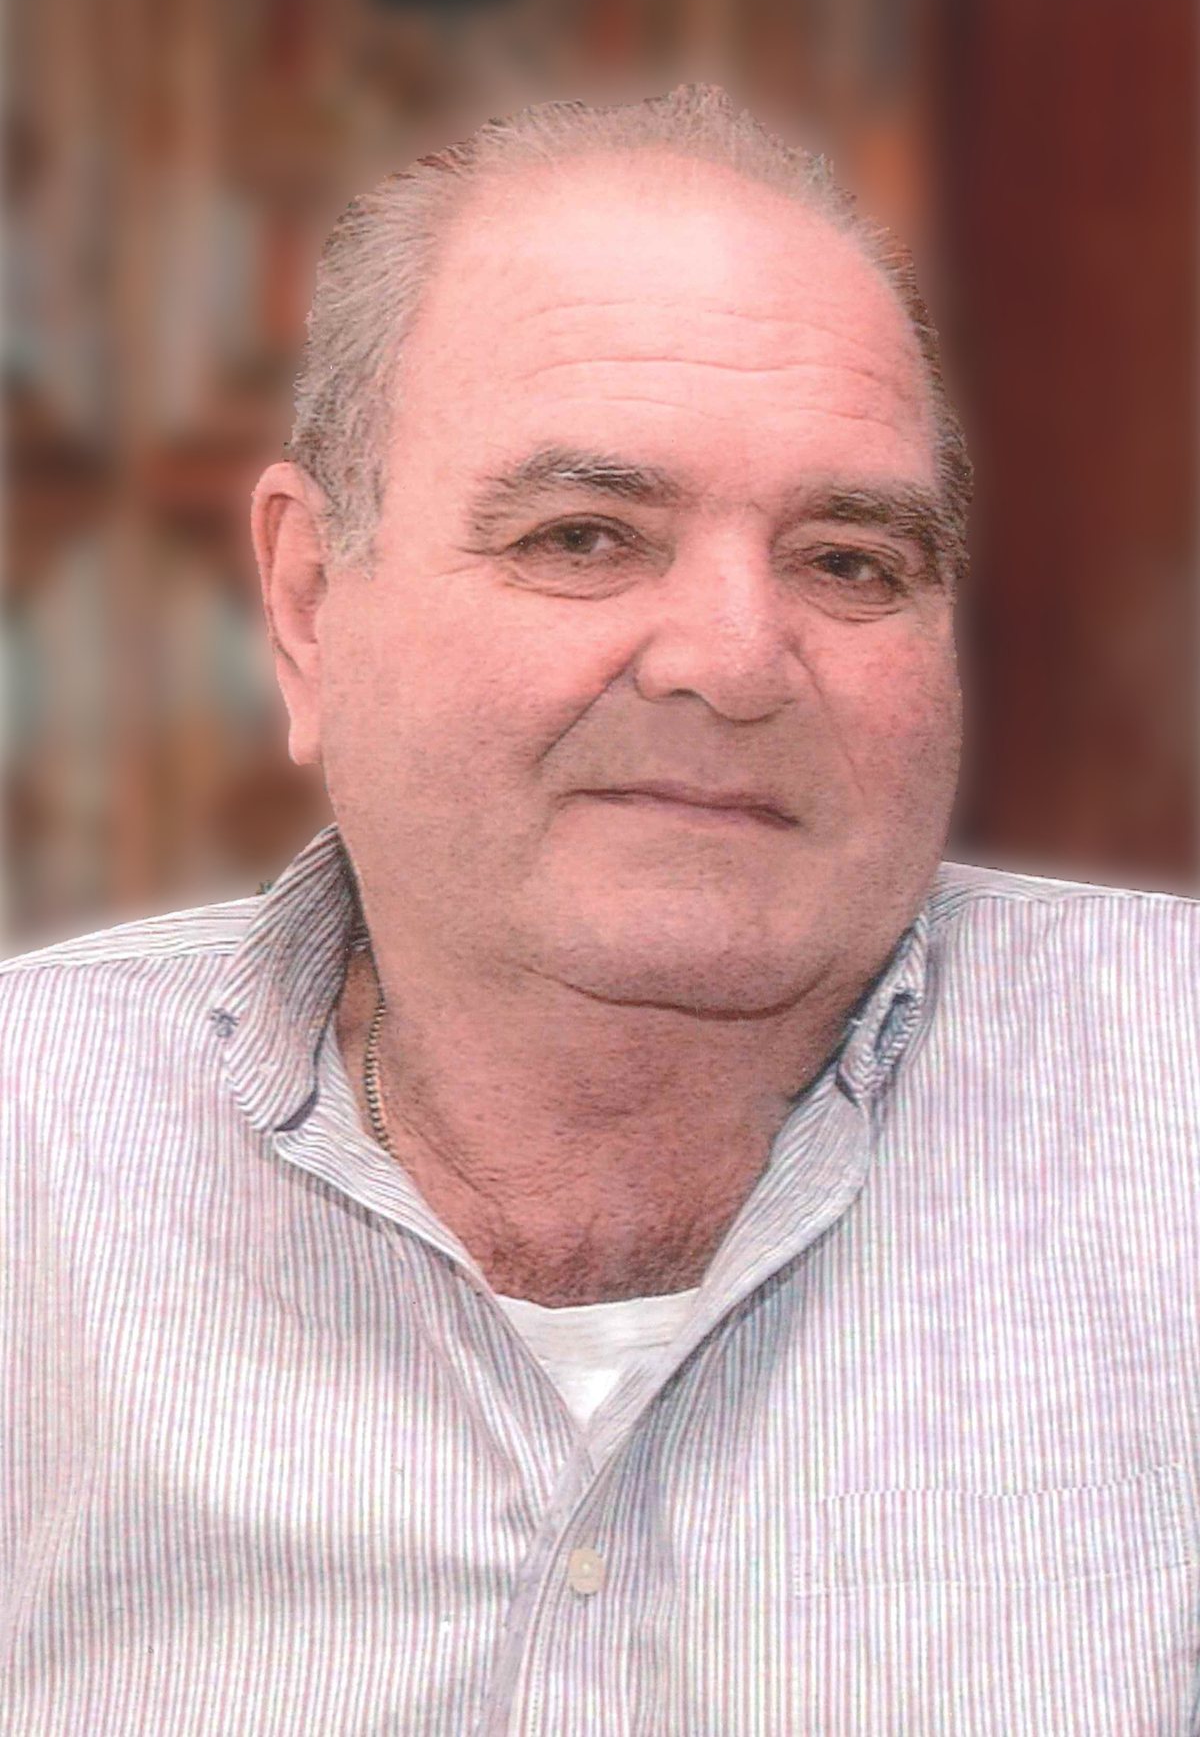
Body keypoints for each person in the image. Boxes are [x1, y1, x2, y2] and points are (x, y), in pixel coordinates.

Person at [2, 86, 1197, 1735]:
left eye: (849, 560)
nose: (732, 659)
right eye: (584, 537)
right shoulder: (33, 1160)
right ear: (308, 601)